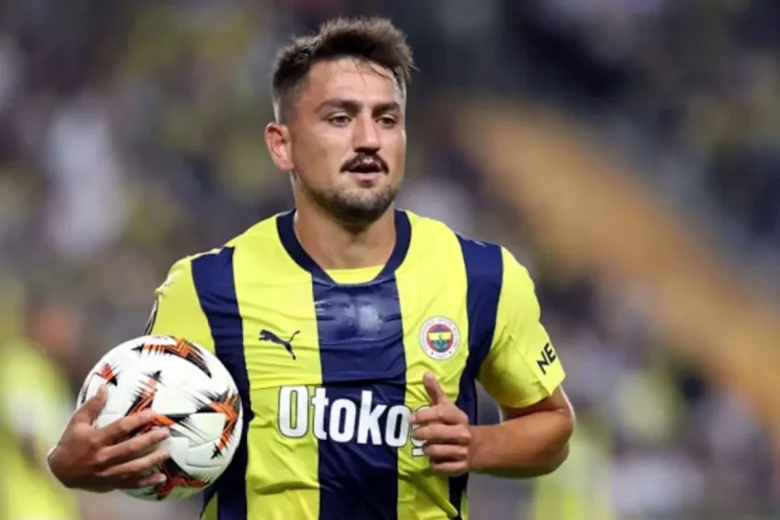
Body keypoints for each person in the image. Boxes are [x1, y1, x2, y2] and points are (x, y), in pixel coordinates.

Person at [47, 17, 574, 519]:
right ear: (283, 146)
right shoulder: (206, 288)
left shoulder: (482, 276)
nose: (369, 139)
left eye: (387, 119)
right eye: (340, 118)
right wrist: (75, 467)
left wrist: (477, 445)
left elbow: (553, 426)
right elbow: (137, 439)